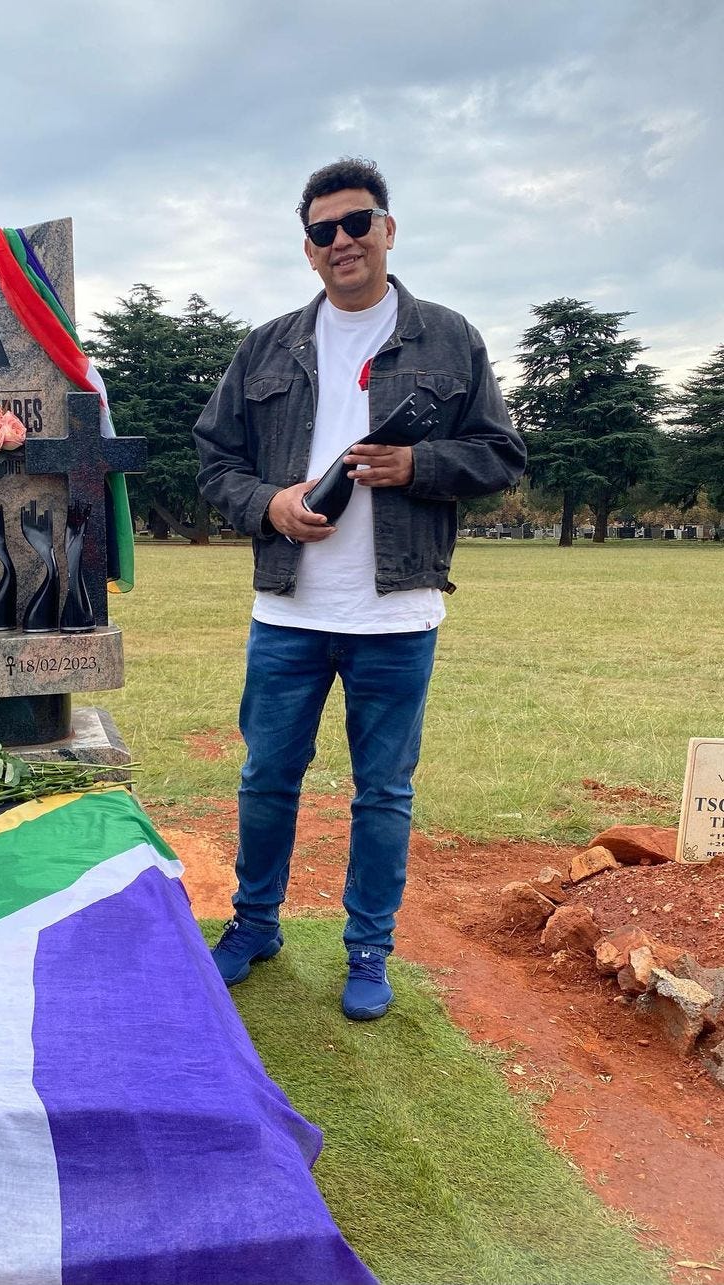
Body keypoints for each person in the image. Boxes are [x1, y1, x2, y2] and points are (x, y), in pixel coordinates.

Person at [193, 158, 526, 1020]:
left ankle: (368, 947)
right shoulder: (267, 345)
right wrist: (269, 503)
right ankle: (255, 922)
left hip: (398, 611)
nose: (341, 241)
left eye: (357, 222)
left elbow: (500, 456)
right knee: (269, 776)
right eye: (323, 231)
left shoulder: (449, 338)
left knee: (383, 791)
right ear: (307, 251)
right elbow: (213, 460)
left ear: (388, 229)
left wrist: (420, 464)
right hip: (288, 610)